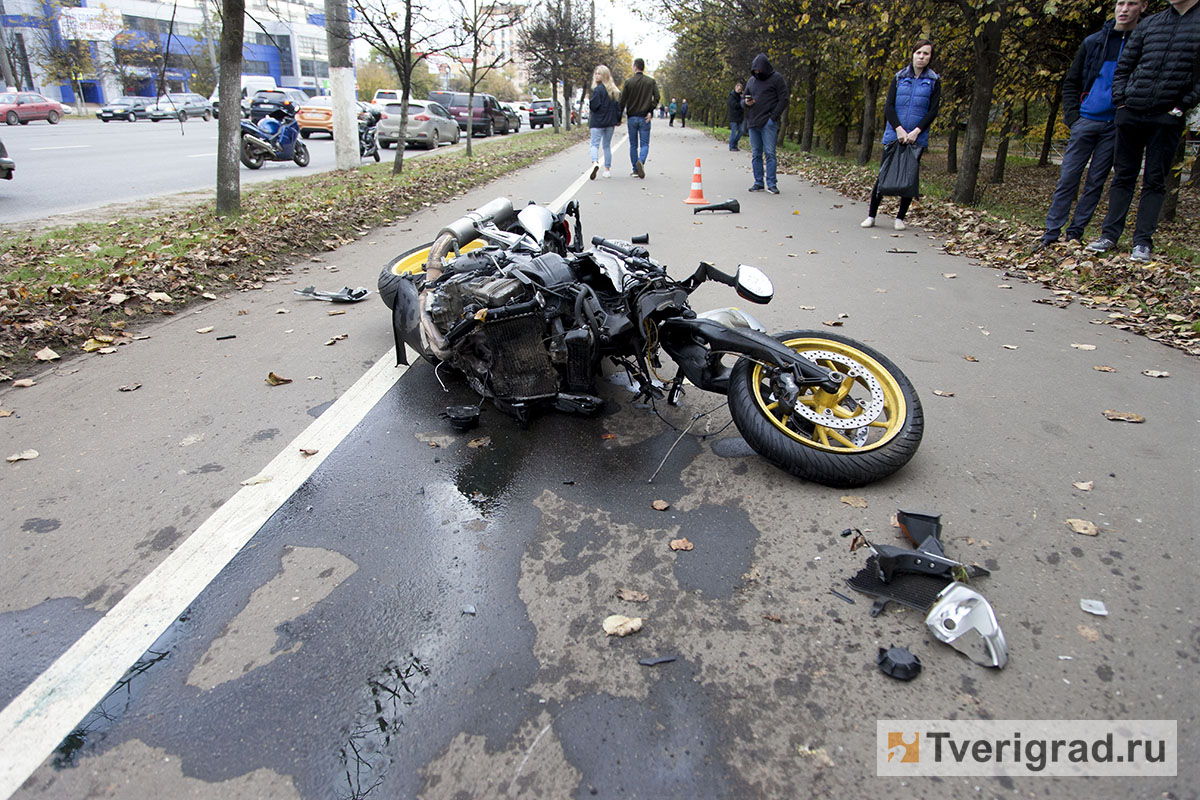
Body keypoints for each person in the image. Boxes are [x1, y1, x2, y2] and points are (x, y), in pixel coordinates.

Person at [1085, 0, 1200, 261]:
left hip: (1167, 117)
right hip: (1131, 112)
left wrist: (1182, 106)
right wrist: (1121, 102)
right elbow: (1125, 65)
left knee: (1154, 180)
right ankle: (1109, 235)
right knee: (1123, 175)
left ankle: (1142, 243)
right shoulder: (1151, 24)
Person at [1038, 0, 1148, 249]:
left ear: (1143, 7)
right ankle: (1051, 231)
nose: (1124, 9)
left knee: (1095, 182)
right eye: (1120, 2)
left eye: (1131, 4)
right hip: (1086, 120)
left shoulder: (1144, 42)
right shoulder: (1094, 42)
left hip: (1116, 124)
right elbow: (1072, 82)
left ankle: (1076, 232)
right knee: (1068, 177)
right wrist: (1074, 119)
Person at [861, 40, 941, 229]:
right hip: (894, 134)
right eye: (918, 53)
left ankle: (900, 218)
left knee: (909, 176)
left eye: (926, 54)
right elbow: (889, 106)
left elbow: (933, 110)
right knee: (884, 173)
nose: (921, 57)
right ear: (912, 54)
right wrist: (898, 129)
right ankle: (872, 215)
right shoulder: (899, 77)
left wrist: (916, 131)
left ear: (930, 57)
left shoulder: (934, 81)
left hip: (916, 137)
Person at [743, 53, 788, 193]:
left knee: (770, 153)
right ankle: (758, 181)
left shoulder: (776, 79)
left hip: (768, 122)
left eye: (759, 71)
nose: (757, 73)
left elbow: (784, 99)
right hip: (753, 122)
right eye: (755, 71)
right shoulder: (751, 81)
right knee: (756, 154)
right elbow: (743, 99)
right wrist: (746, 102)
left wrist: (773, 117)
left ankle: (772, 183)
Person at [619, 58, 660, 178]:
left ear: (635, 67)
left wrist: (619, 117)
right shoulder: (650, 82)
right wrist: (650, 110)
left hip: (632, 118)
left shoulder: (628, 82)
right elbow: (657, 97)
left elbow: (622, 101)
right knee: (645, 144)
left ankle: (635, 169)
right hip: (644, 117)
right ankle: (641, 161)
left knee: (633, 145)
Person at [588, 65, 622, 179]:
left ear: (604, 76)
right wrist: (618, 120)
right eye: (596, 73)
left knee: (594, 144)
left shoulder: (598, 90)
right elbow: (618, 108)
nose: (597, 76)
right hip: (610, 123)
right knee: (607, 146)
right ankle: (607, 170)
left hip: (597, 122)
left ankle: (595, 162)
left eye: (599, 74)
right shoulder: (614, 91)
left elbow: (594, 106)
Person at [727, 81, 746, 151]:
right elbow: (734, 105)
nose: (739, 90)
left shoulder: (741, 96)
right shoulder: (731, 95)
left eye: (741, 89)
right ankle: (732, 146)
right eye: (738, 89)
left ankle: (735, 143)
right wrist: (741, 103)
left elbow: (744, 104)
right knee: (733, 132)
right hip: (734, 116)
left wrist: (743, 97)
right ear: (735, 88)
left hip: (740, 116)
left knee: (741, 131)